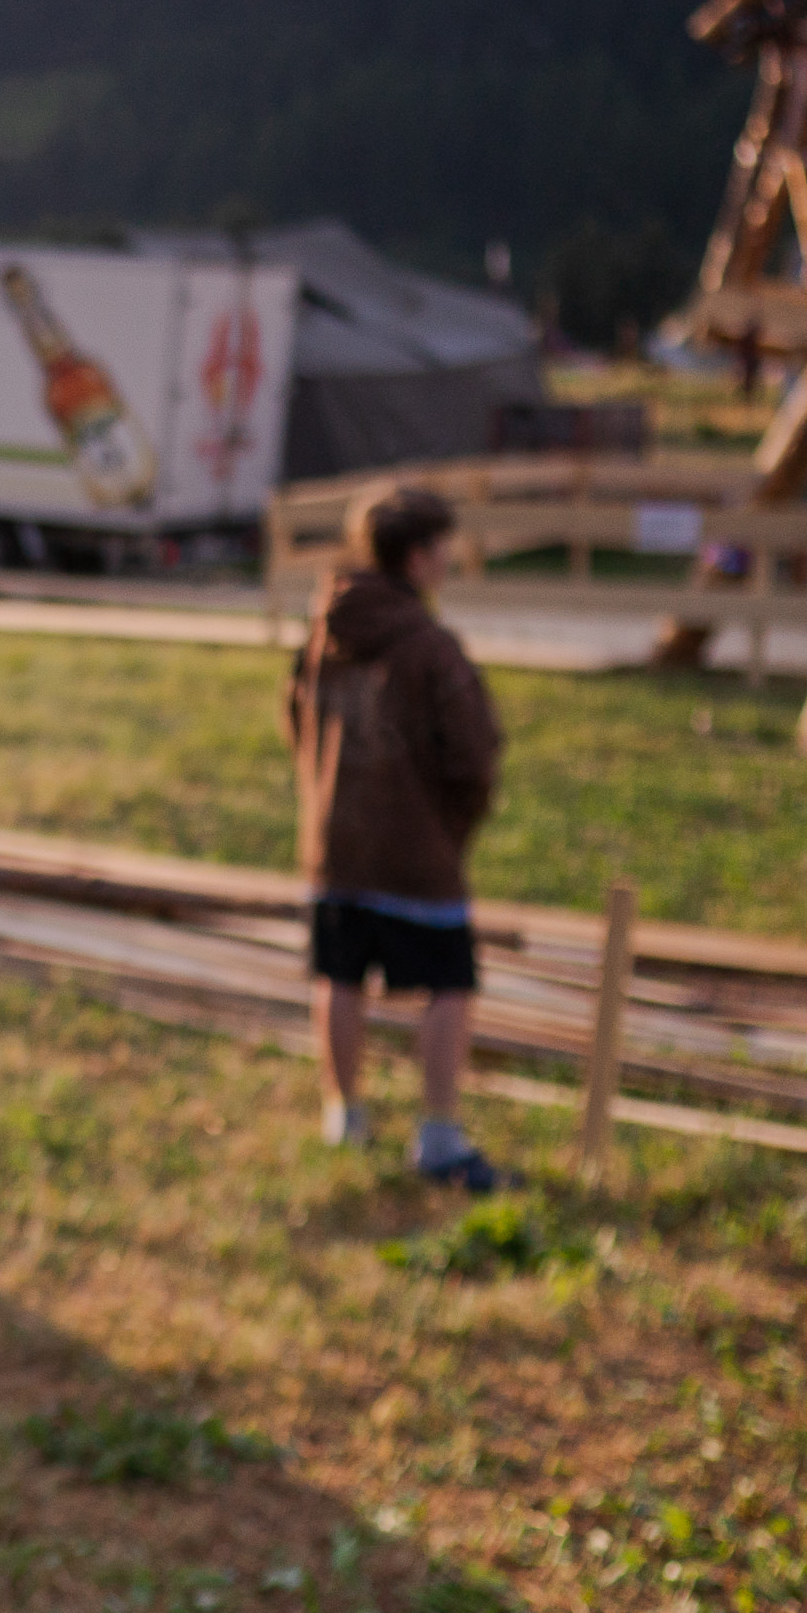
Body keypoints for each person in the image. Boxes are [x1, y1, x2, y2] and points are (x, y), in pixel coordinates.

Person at [283, 481, 507, 1192]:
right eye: (444, 548)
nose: (450, 560)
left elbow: (296, 719)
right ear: (416, 556)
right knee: (448, 982)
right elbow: (472, 754)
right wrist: (453, 824)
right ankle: (439, 1137)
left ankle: (344, 1116)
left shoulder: (326, 623)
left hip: (335, 844)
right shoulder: (430, 645)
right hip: (417, 854)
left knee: (340, 975)